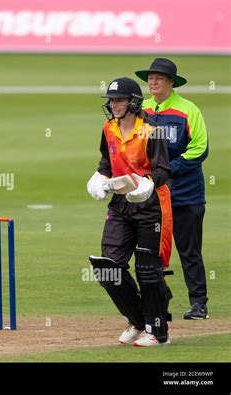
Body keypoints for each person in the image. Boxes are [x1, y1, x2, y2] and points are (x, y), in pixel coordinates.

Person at [87, 77, 173, 347]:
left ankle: (158, 332)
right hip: (121, 204)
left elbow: (163, 170)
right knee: (107, 268)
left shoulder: (151, 130)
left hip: (150, 204)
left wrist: (148, 184)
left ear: (133, 102)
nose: (114, 105)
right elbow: (106, 159)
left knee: (148, 268)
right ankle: (137, 320)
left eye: (119, 100)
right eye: (111, 100)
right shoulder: (109, 128)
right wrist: (99, 177)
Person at [135, 58, 210, 320]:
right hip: (153, 195)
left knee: (189, 250)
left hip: (185, 194)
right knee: (152, 250)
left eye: (158, 78)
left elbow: (200, 149)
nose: (153, 82)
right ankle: (158, 304)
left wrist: (167, 169)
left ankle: (199, 304)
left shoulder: (188, 110)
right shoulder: (141, 109)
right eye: (150, 78)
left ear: (170, 82)